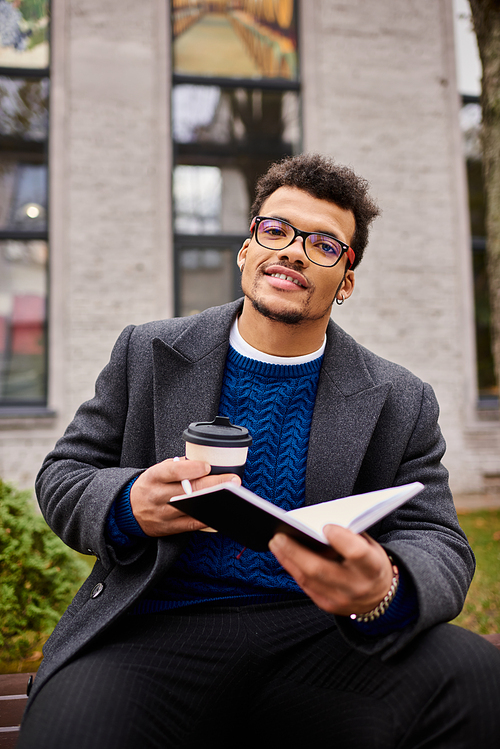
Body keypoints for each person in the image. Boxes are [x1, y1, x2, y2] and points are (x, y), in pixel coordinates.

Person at [19, 154, 500, 748]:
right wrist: (126, 504)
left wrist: (387, 588)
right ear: (247, 250)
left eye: (325, 244)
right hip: (154, 630)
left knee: (478, 679)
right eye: (276, 230)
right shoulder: (147, 352)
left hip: (321, 638)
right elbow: (65, 475)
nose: (294, 251)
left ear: (346, 281)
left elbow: (440, 539)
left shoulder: (399, 398)